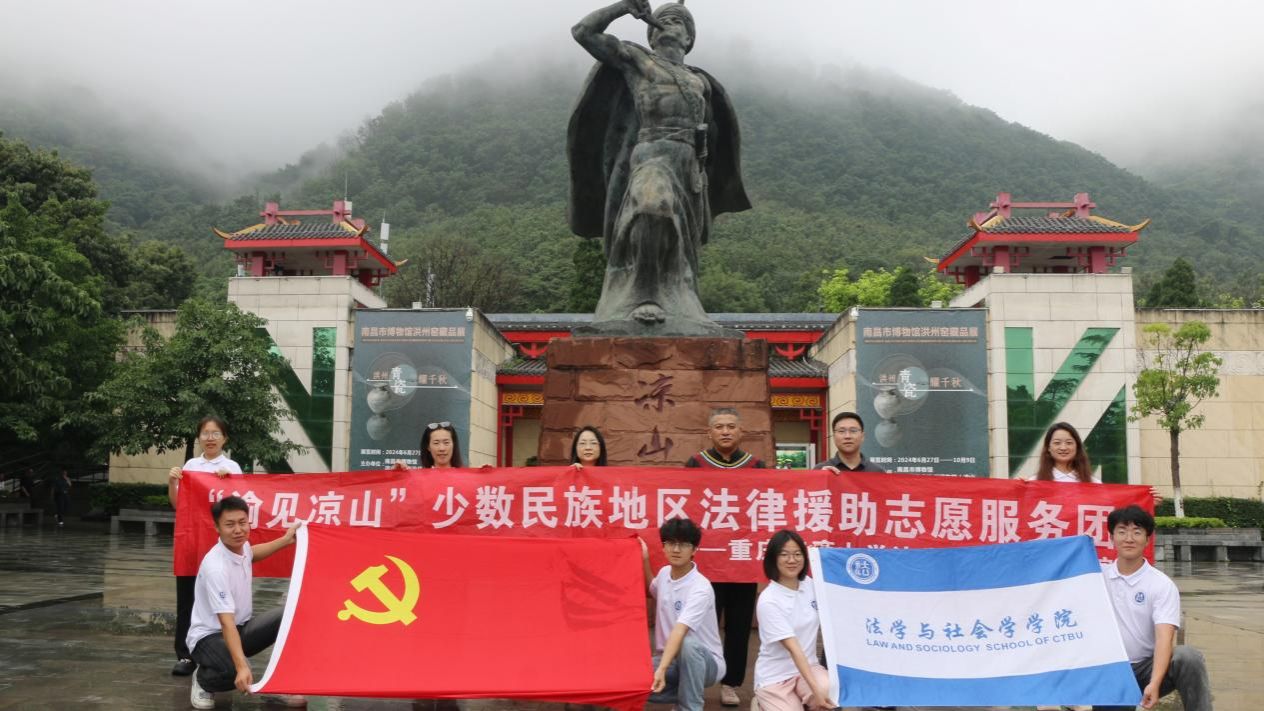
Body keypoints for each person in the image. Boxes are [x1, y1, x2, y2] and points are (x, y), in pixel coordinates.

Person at [569, 0, 750, 334]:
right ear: (651, 34)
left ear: (689, 38)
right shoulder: (638, 61)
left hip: (690, 166)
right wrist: (624, 6)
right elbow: (583, 32)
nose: (669, 24)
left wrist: (704, 167)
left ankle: (682, 306)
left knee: (683, 243)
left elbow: (712, 133)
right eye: (663, 19)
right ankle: (644, 295)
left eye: (678, 20)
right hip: (651, 153)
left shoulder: (700, 81)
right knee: (652, 207)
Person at [187, 496, 303, 709]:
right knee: (234, 671)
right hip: (208, 637)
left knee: (289, 616)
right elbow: (226, 623)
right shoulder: (216, 567)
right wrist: (241, 666)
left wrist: (286, 540)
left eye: (242, 522)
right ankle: (204, 678)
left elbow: (251, 553)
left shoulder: (241, 547)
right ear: (217, 528)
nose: (238, 530)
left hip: (240, 628)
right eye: (230, 525)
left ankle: (279, 681)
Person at [683, 407, 765, 706]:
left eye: (731, 426)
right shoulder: (695, 464)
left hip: (742, 560)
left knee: (739, 628)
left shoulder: (756, 466)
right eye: (719, 427)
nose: (726, 431)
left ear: (741, 432)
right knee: (702, 626)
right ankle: (698, 680)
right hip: (708, 560)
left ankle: (731, 683)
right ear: (709, 432)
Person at [1096, 505, 1211, 711]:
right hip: (1108, 671)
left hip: (1145, 669)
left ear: (1147, 539)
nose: (1129, 539)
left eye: (1137, 532)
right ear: (1111, 538)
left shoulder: (1161, 584)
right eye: (1122, 532)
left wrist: (1155, 683)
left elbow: (1164, 638)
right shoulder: (1096, 577)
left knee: (1188, 657)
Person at [167, 416, 242, 677]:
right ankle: (185, 655)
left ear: (225, 438)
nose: (210, 438)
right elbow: (178, 505)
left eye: (216, 433)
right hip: (193, 543)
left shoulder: (232, 467)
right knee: (187, 600)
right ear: (199, 437)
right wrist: (173, 482)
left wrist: (227, 482)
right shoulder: (191, 466)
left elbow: (240, 506)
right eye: (205, 433)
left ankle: (222, 652)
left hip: (221, 545)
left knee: (222, 601)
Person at [643, 517, 726, 711]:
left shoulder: (700, 587)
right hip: (670, 660)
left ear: (694, 550)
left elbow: (680, 630)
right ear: (663, 547)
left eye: (683, 544)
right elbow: (652, 590)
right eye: (671, 543)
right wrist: (645, 559)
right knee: (632, 677)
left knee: (687, 644)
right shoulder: (664, 574)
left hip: (706, 662)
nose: (676, 549)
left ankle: (690, 706)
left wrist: (662, 670)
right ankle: (684, 694)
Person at [754, 530, 835, 711]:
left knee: (828, 690)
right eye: (784, 555)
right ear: (773, 559)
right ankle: (762, 703)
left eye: (797, 554)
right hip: (775, 677)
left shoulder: (811, 585)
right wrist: (816, 692)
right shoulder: (769, 600)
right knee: (817, 694)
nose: (792, 560)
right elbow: (794, 649)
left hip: (809, 668)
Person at [815, 412, 884, 473]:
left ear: (862, 436)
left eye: (853, 431)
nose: (847, 436)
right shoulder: (821, 470)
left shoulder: (877, 471)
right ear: (834, 436)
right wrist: (821, 477)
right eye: (841, 431)